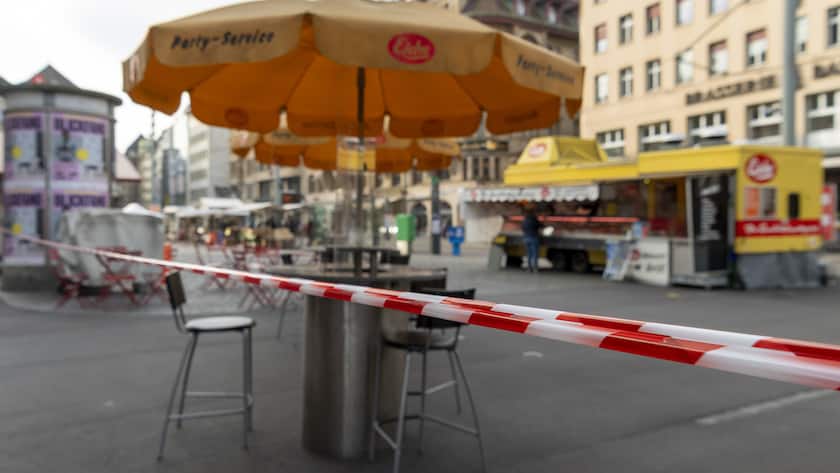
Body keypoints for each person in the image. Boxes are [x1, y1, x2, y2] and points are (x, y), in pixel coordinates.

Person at [521, 206, 541, 272]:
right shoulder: (534, 220)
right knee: (534, 254)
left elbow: (523, 228)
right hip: (534, 238)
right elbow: (540, 226)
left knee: (529, 254)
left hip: (526, 238)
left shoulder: (525, 220)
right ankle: (535, 268)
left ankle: (529, 268)